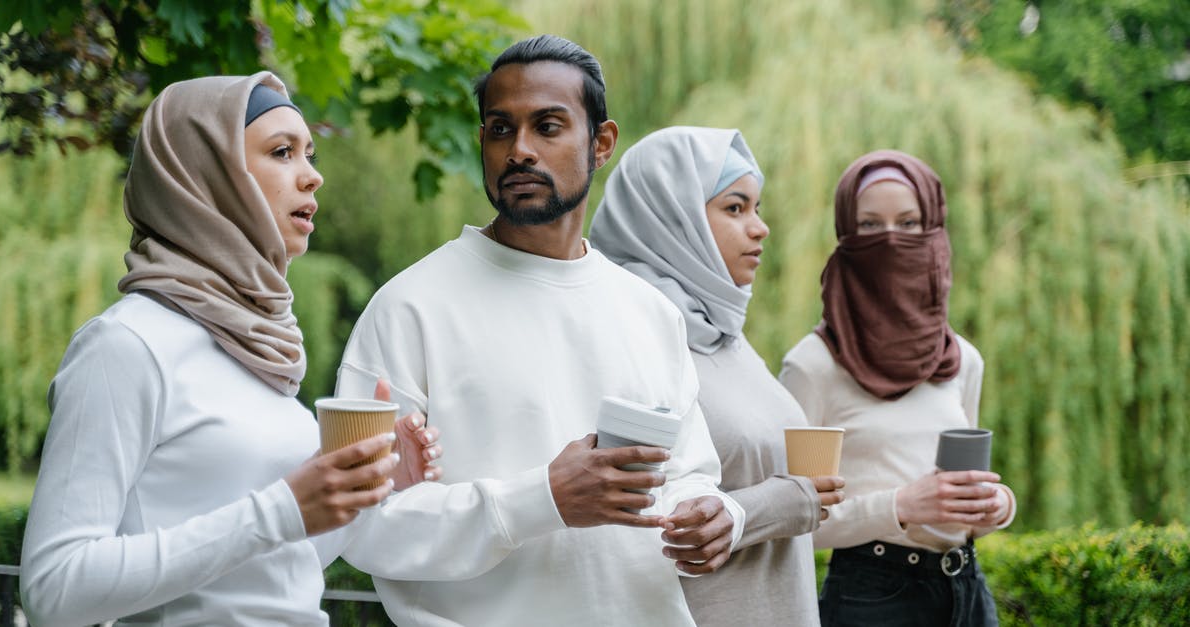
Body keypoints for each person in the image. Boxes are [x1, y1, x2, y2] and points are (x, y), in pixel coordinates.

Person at [334, 36, 744, 626]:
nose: (520, 150)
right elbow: (362, 525)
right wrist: (541, 500)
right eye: (500, 129)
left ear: (601, 143)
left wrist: (711, 515)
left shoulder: (650, 312)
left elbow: (685, 474)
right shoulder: (409, 307)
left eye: (548, 127)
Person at [20, 72, 439, 626]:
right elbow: (55, 589)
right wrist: (281, 509)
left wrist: (368, 495)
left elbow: (271, 568)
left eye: (309, 154)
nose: (312, 176)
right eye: (282, 152)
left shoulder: (259, 346)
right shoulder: (126, 345)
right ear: (206, 175)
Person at [589, 125, 846, 626]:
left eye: (757, 207)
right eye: (734, 208)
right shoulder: (632, 339)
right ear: (670, 219)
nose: (760, 227)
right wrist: (787, 500)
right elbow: (627, 520)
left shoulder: (725, 333)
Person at [778, 149, 1017, 627]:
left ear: (934, 236)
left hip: (967, 592)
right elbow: (790, 522)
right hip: (872, 597)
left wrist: (997, 507)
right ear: (846, 236)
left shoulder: (963, 359)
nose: (891, 240)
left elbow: (962, 503)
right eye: (870, 226)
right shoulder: (813, 365)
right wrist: (899, 507)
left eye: (909, 224)